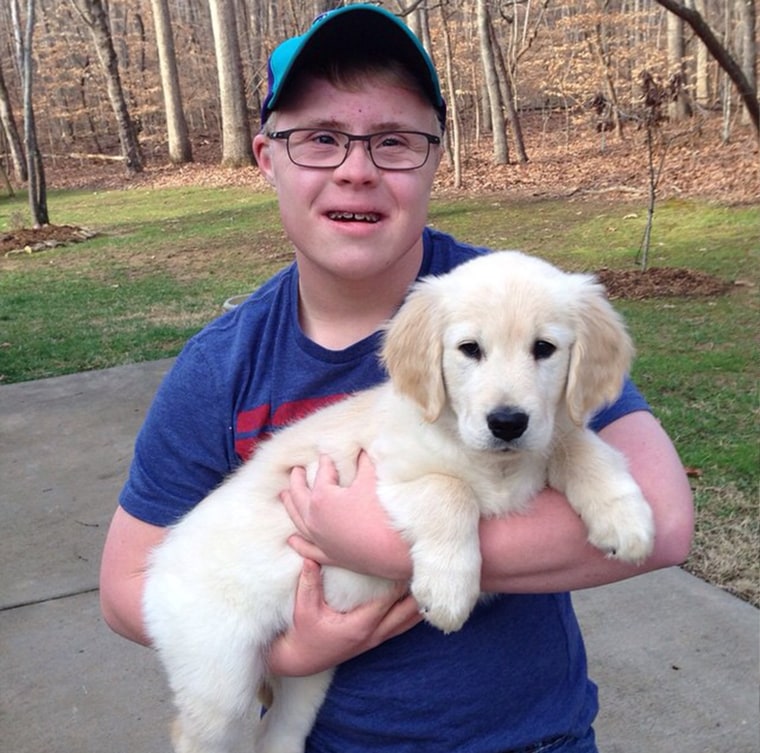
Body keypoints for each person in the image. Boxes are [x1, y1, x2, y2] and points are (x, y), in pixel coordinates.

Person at [100, 5, 693, 752]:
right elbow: (128, 587)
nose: (357, 167)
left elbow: (663, 523)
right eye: (320, 138)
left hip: (535, 738)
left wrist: (382, 545)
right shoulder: (221, 366)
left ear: (435, 158)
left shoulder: (520, 295)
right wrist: (285, 656)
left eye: (393, 140)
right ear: (265, 157)